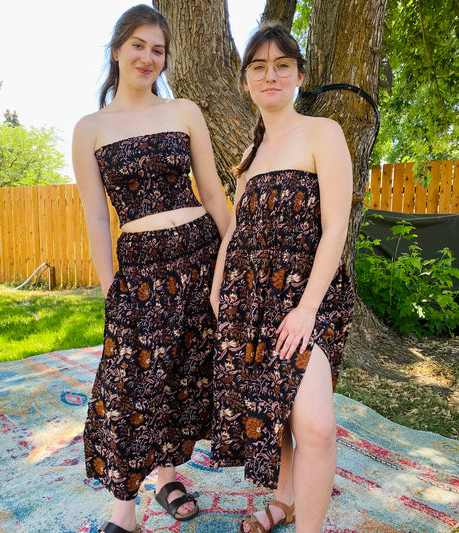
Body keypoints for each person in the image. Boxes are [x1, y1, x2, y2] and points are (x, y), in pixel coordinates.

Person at [72, 5, 230, 533]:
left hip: (198, 254)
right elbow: (96, 213)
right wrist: (107, 282)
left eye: (157, 49)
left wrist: (233, 254)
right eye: (138, 45)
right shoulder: (89, 128)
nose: (147, 57)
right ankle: (125, 510)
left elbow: (211, 192)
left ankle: (166, 477)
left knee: (182, 371)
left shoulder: (184, 111)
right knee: (131, 381)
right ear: (117, 49)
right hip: (140, 269)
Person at [210, 22, 355, 533]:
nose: (270, 76)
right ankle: (284, 497)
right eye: (259, 67)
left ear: (298, 75)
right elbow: (237, 234)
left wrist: (307, 308)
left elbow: (337, 224)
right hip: (249, 303)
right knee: (275, 414)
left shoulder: (324, 133)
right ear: (246, 78)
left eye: (281, 66)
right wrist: (216, 290)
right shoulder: (248, 159)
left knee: (314, 425)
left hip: (309, 300)